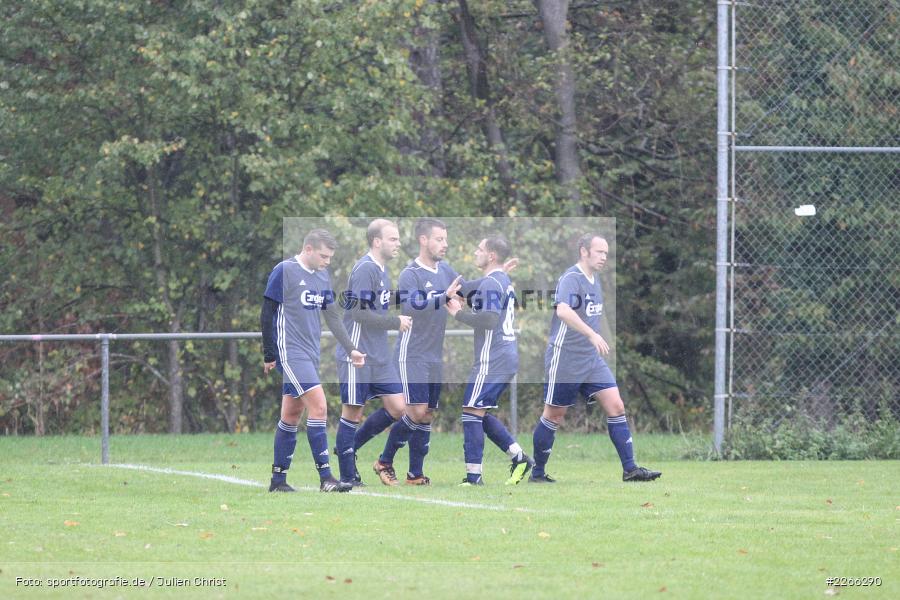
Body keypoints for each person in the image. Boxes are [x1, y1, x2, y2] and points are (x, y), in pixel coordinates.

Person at [530, 234, 661, 483]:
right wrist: (592, 334)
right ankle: (537, 473)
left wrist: (595, 337)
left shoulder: (595, 279)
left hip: (590, 360)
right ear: (584, 252)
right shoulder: (571, 279)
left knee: (616, 406)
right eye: (599, 252)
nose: (604, 257)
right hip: (566, 358)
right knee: (554, 415)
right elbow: (563, 311)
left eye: (606, 253)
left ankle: (630, 469)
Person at [260, 229, 365, 493]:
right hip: (291, 352)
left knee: (292, 414)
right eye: (323, 256)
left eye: (330, 257)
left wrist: (351, 348)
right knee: (319, 406)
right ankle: (327, 479)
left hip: (310, 354)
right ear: (308, 249)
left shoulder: (322, 276)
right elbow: (267, 312)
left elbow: (331, 317)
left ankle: (278, 480)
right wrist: (269, 353)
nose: (327, 261)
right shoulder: (285, 271)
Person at [446, 234, 534, 486]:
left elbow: (489, 319)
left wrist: (459, 314)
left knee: (471, 412)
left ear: (491, 255)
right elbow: (469, 287)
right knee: (478, 412)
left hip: (493, 358)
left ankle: (474, 478)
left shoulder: (492, 283)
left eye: (479, 249)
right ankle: (519, 458)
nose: (476, 252)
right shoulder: (498, 279)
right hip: (502, 357)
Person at [334, 219, 412, 486]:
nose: (398, 243)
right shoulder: (365, 268)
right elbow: (357, 312)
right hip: (358, 355)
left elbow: (380, 304)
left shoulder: (381, 270)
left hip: (379, 355)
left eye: (398, 239)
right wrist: (394, 322)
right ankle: (347, 475)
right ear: (377, 241)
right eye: (393, 239)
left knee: (399, 407)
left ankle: (348, 449)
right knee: (352, 412)